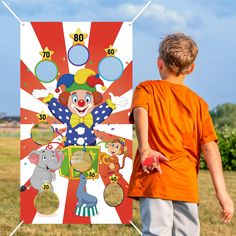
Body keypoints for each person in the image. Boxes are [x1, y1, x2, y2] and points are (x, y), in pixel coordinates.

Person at [128, 33, 234, 236]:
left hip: (154, 179)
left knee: (156, 232)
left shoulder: (146, 88)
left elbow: (140, 110)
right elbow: (210, 147)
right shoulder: (199, 104)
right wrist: (222, 193)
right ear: (191, 68)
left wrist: (145, 149)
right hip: (186, 185)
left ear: (160, 63)